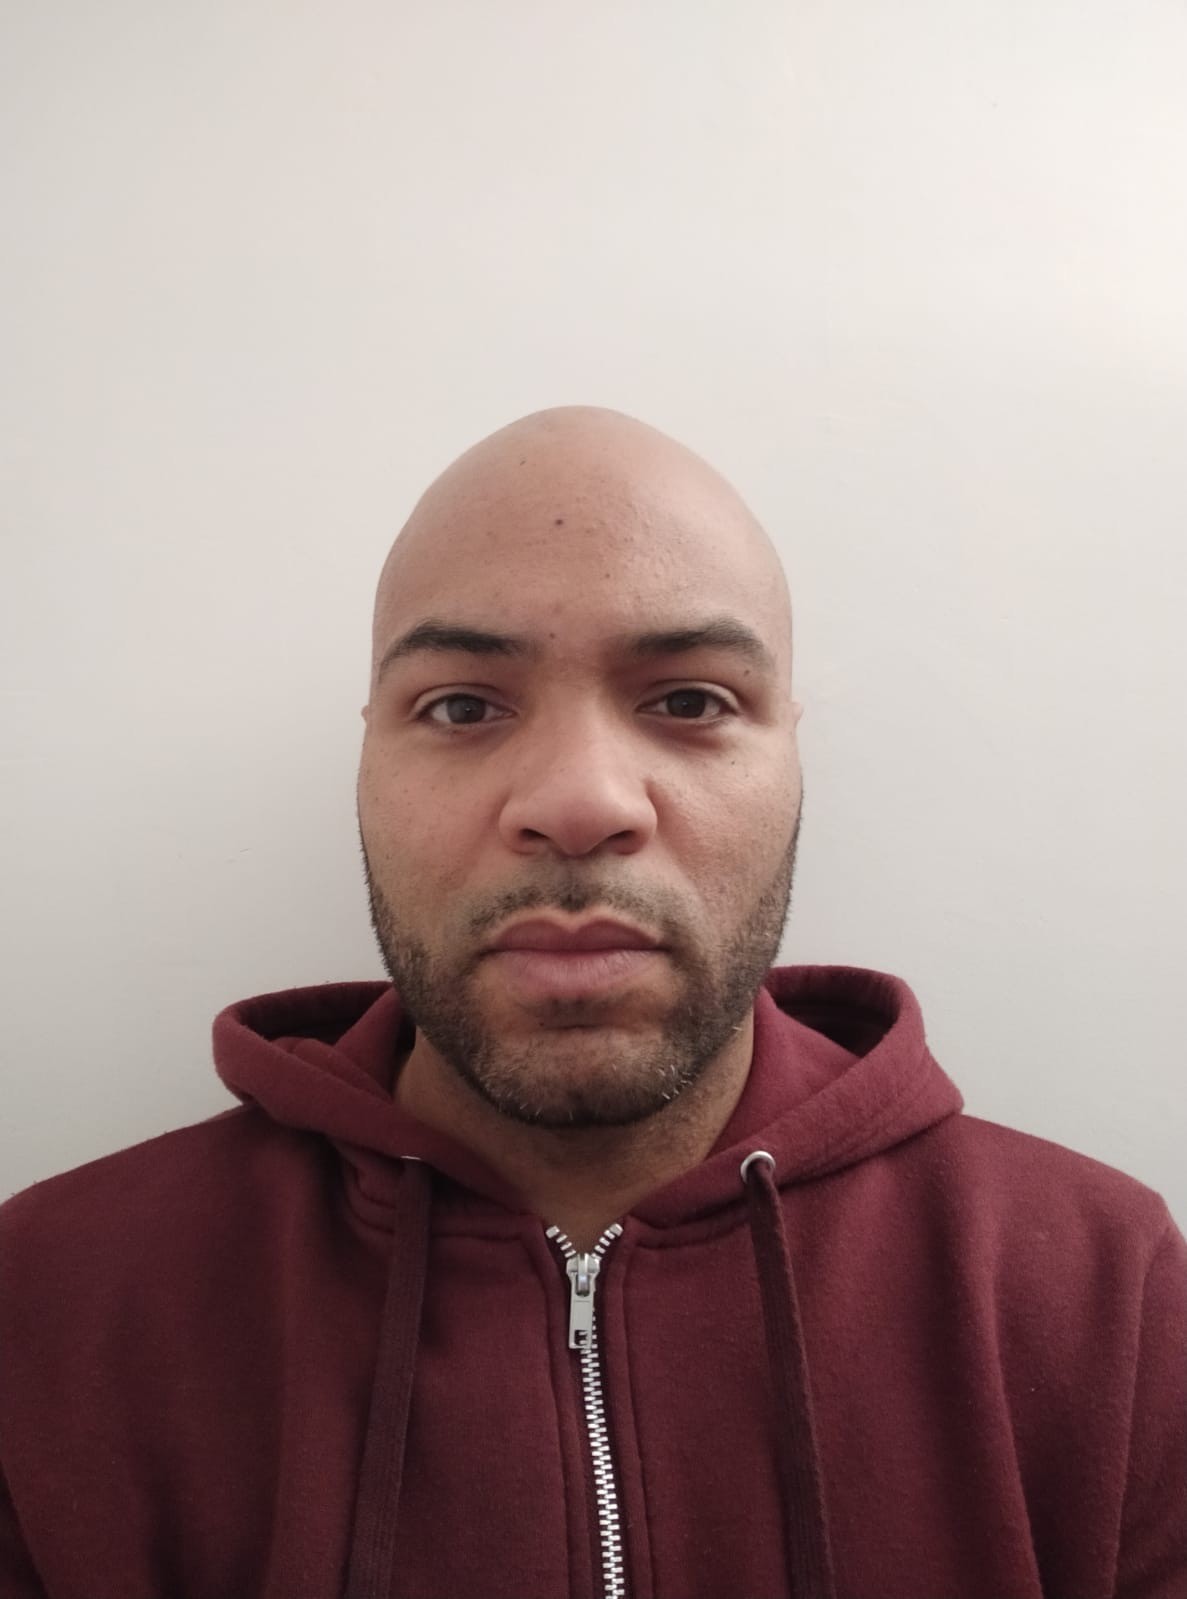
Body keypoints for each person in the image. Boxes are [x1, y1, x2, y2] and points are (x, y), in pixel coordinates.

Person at [0, 406, 1183, 1599]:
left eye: (689, 702)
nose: (579, 803)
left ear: (790, 755)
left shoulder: (1103, 1295)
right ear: (366, 759)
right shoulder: (49, 1304)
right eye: (461, 707)